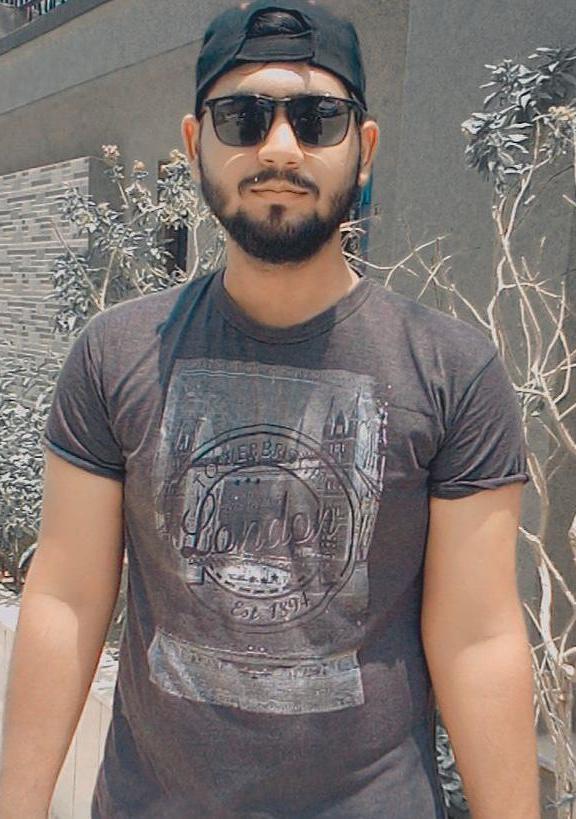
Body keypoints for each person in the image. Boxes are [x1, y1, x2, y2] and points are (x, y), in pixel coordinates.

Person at [0, 1, 541, 817]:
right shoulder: (115, 354)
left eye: (318, 119)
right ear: (195, 143)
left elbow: (478, 637)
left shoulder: (452, 372)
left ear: (364, 149)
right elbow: (67, 595)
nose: (280, 147)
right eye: (243, 117)